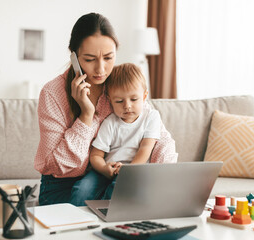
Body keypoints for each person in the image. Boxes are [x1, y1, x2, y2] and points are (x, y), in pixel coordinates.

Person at [34, 12, 177, 206]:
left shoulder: (122, 85)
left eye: (108, 58)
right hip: (61, 186)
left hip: (114, 179)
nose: (101, 69)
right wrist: (86, 116)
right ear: (74, 56)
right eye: (90, 59)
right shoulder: (52, 93)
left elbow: (160, 138)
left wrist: (160, 176)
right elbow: (59, 166)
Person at [79, 63, 173, 200]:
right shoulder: (110, 122)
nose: (127, 106)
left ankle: (104, 217)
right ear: (110, 100)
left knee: (118, 188)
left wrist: (128, 171)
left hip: (135, 170)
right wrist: (104, 169)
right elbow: (96, 156)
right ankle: (76, 219)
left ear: (144, 96)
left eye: (134, 99)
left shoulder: (151, 117)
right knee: (82, 189)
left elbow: (146, 148)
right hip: (108, 170)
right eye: (119, 101)